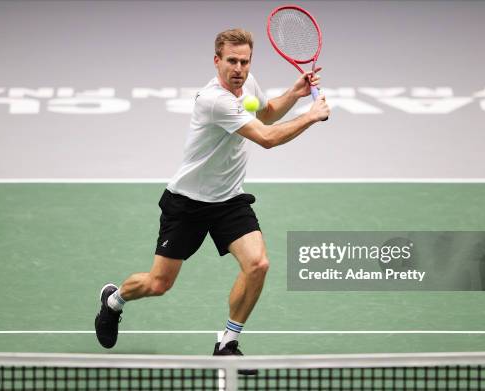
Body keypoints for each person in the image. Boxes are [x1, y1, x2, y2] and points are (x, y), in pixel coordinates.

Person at [95, 28, 330, 365]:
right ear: (217, 61)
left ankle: (228, 342)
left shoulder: (247, 84)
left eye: (245, 61)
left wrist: (294, 94)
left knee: (258, 264)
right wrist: (310, 115)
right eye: (231, 61)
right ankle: (113, 301)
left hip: (229, 200)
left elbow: (267, 113)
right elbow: (266, 138)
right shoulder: (214, 100)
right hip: (187, 204)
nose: (239, 68)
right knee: (159, 284)